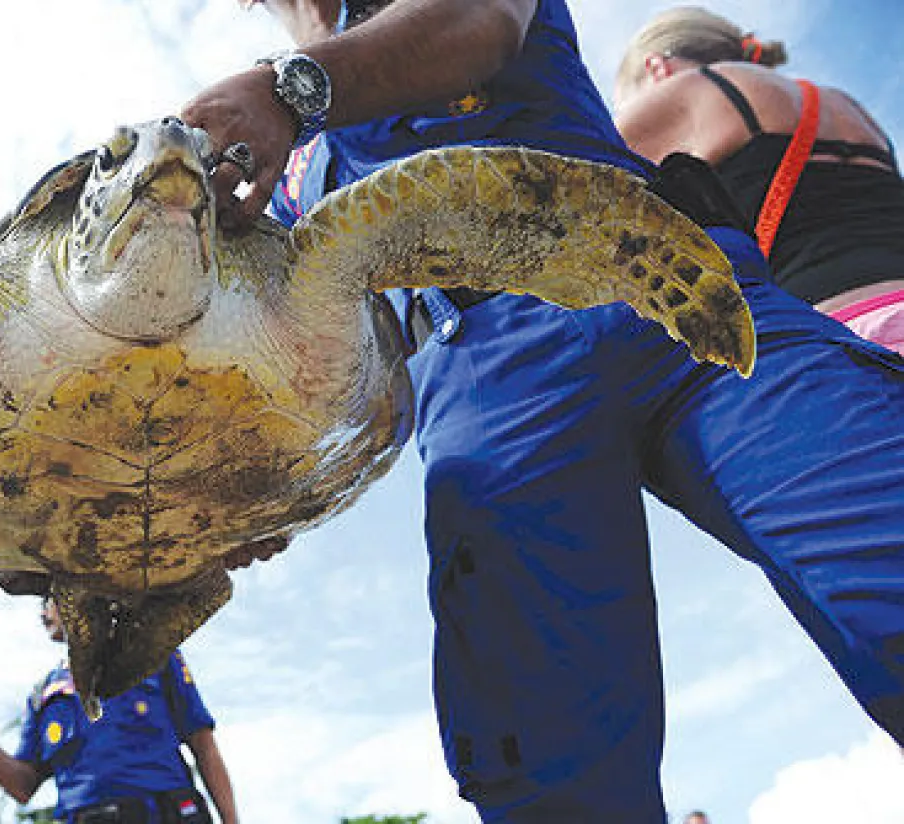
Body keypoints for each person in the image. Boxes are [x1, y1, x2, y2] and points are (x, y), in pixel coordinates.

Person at [181, 0, 904, 819]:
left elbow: (479, 23)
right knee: (556, 767)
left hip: (670, 287)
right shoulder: (286, 164)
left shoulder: (310, 81)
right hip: (481, 377)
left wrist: (292, 89)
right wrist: (223, 496)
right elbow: (294, 346)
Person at [613, 7, 904, 354]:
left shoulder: (691, 89)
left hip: (845, 338)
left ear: (658, 68)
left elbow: (564, 170)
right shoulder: (845, 104)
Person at [0, 599, 240, 823]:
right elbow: (22, 787)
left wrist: (230, 820)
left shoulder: (153, 657)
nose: (42, 613)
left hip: (164, 811)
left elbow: (204, 747)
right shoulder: (42, 694)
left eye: (48, 600)